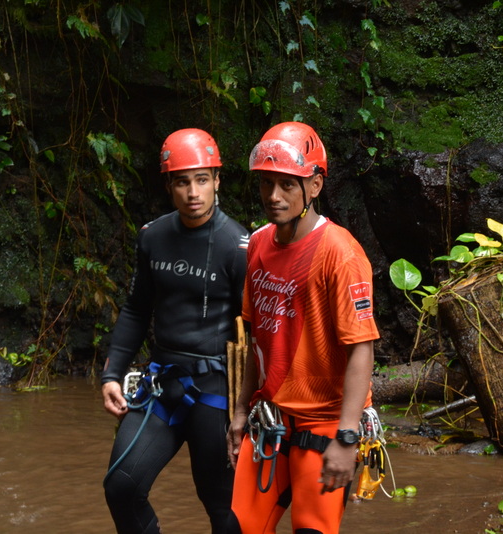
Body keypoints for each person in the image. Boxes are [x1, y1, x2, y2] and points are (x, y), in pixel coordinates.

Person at [225, 121, 380, 534]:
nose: (273, 197)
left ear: (314, 185)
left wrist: (347, 439)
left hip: (324, 422)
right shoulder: (258, 243)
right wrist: (240, 412)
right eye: (266, 184)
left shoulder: (340, 254)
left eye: (287, 185)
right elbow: (257, 337)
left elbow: (361, 347)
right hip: (270, 419)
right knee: (234, 527)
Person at [101, 128, 249, 534]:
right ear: (169, 184)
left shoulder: (238, 247)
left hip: (214, 388)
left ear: (218, 180)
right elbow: (136, 307)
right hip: (161, 384)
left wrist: (247, 407)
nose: (193, 191)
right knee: (121, 486)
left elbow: (252, 330)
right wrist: (112, 374)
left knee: (223, 506)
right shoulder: (152, 237)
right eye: (182, 181)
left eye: (202, 179)